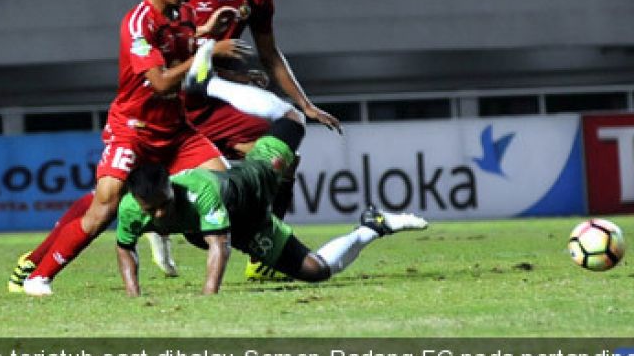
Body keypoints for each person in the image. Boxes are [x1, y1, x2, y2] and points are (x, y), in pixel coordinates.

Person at [10, 0, 281, 297]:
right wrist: (207, 50)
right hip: (134, 130)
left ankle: (252, 251)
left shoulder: (183, 18)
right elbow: (161, 82)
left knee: (224, 189)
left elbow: (192, 67)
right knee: (104, 206)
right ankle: (37, 276)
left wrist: (236, 72)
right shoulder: (138, 23)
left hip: (177, 131)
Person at [179, 0, 344, 280]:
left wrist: (304, 104)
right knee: (161, 193)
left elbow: (269, 53)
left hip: (217, 105)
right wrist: (215, 55)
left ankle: (264, 254)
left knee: (283, 161)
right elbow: (167, 48)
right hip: (180, 105)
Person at [114, 107, 429, 296]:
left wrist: (208, 298)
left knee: (292, 121)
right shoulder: (131, 207)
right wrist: (133, 294)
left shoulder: (200, 190)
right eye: (150, 209)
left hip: (254, 185)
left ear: (171, 186)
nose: (158, 213)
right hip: (235, 227)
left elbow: (219, 246)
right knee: (315, 272)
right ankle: (372, 226)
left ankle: (368, 225)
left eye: (163, 205)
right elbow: (124, 246)